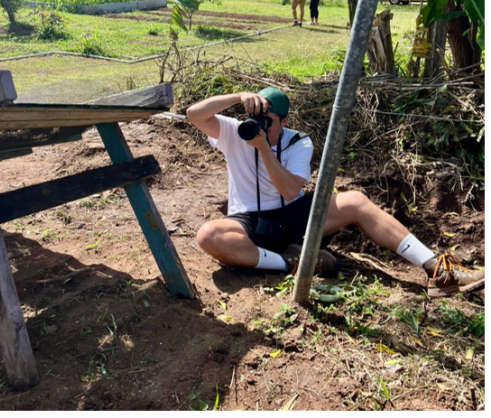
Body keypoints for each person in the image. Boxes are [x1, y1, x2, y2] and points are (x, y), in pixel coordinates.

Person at [186, 88, 484, 297]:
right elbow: (194, 114)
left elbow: (290, 191)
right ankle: (293, 262)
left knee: (355, 200)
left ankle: (438, 269)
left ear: (286, 121)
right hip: (248, 219)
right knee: (209, 236)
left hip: (293, 215)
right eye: (258, 118)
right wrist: (238, 98)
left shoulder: (298, 143)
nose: (260, 127)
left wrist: (264, 147)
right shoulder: (234, 131)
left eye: (269, 123)